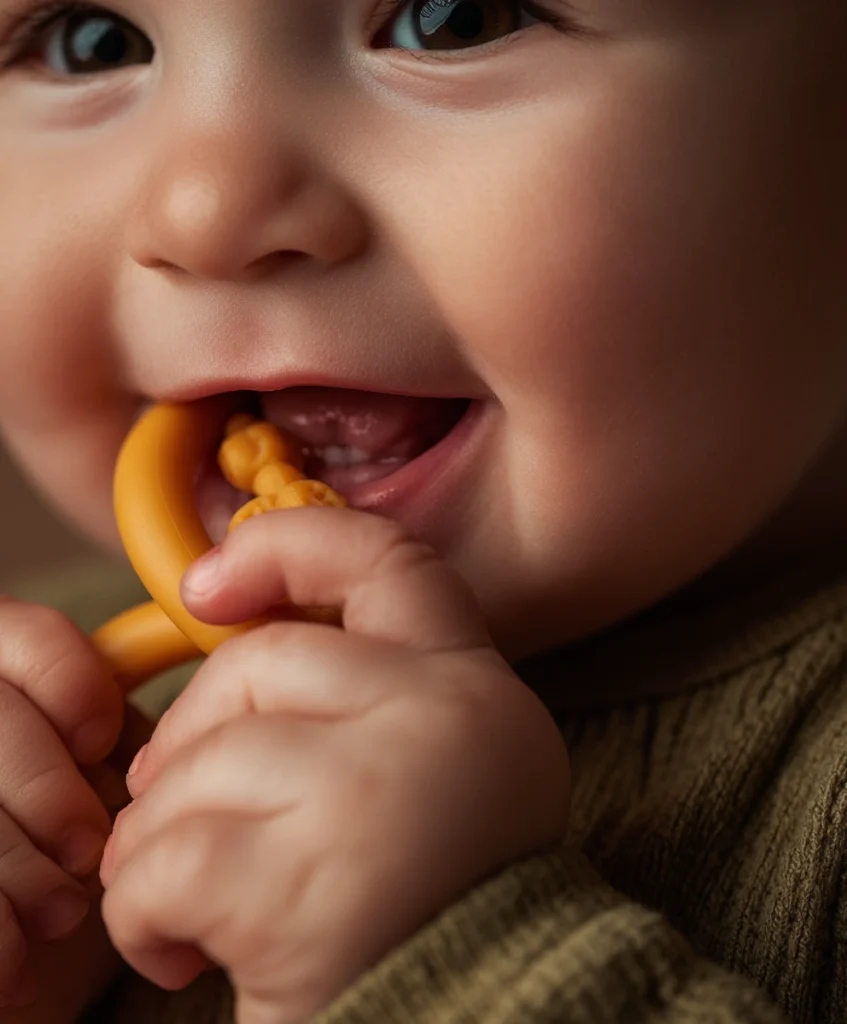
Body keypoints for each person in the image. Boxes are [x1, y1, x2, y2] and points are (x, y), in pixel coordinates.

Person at [0, 0, 845, 1020]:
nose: (205, 212)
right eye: (89, 42)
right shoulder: (55, 727)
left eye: (453, 22)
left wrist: (460, 957)